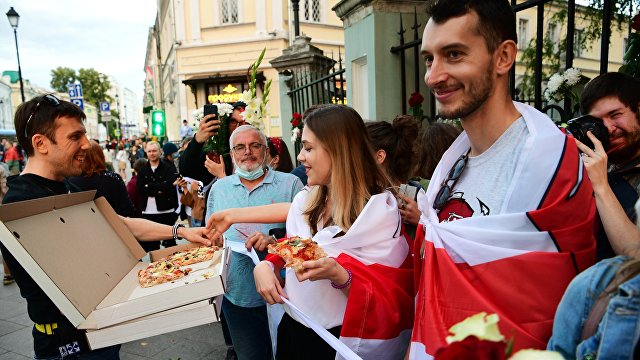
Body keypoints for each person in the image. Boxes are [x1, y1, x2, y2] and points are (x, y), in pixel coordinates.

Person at [408, 1, 597, 358]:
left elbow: (553, 304)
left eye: (453, 54)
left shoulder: (552, 163)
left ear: (503, 57)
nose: (433, 76)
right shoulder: (450, 164)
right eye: (429, 59)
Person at [0, 94, 212, 360]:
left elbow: (120, 224)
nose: (87, 145)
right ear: (40, 143)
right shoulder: (21, 204)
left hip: (99, 333)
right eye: (75, 137)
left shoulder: (69, 187)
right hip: (65, 344)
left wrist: (182, 232)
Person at [210, 105, 414, 359]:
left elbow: (395, 300)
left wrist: (343, 276)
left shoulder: (380, 213)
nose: (300, 158)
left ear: (338, 151)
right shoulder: (306, 201)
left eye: (308, 148)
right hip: (295, 328)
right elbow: (295, 244)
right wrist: (267, 265)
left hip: (341, 341)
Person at [206, 124, 303, 360]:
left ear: (266, 151)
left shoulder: (291, 185)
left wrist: (274, 241)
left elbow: (306, 239)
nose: (247, 152)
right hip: (237, 296)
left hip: (286, 295)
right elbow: (211, 240)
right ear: (232, 155)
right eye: (240, 147)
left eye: (254, 145)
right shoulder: (219, 189)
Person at [575, 72, 640, 260]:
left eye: (615, 115)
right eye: (599, 122)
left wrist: (601, 186)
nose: (609, 128)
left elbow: (635, 256)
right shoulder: (594, 163)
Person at [69, 140, 136, 217]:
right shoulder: (114, 178)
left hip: (85, 226)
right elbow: (128, 210)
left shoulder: (72, 181)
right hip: (113, 225)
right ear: (101, 156)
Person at [136, 141, 180, 252]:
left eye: (154, 151)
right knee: (152, 246)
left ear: (160, 152)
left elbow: (169, 185)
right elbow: (141, 189)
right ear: (146, 153)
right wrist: (161, 188)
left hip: (167, 210)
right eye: (149, 151)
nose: (152, 153)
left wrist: (151, 187)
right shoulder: (143, 170)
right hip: (148, 212)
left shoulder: (168, 167)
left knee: (170, 243)